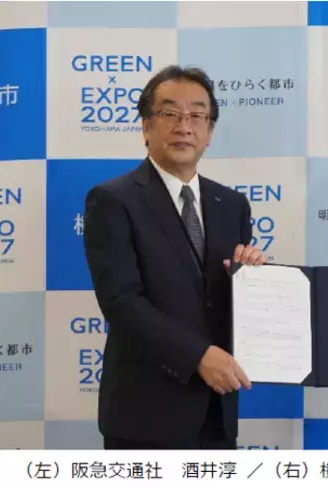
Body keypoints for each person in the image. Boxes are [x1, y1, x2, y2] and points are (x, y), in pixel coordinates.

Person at [83, 65, 266, 450]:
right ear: (146, 127)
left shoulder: (232, 204)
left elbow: (223, 302)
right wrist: (198, 356)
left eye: (197, 116)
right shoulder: (113, 200)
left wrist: (251, 282)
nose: (184, 126)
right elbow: (121, 302)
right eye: (170, 113)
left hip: (217, 411)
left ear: (210, 132)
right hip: (145, 413)